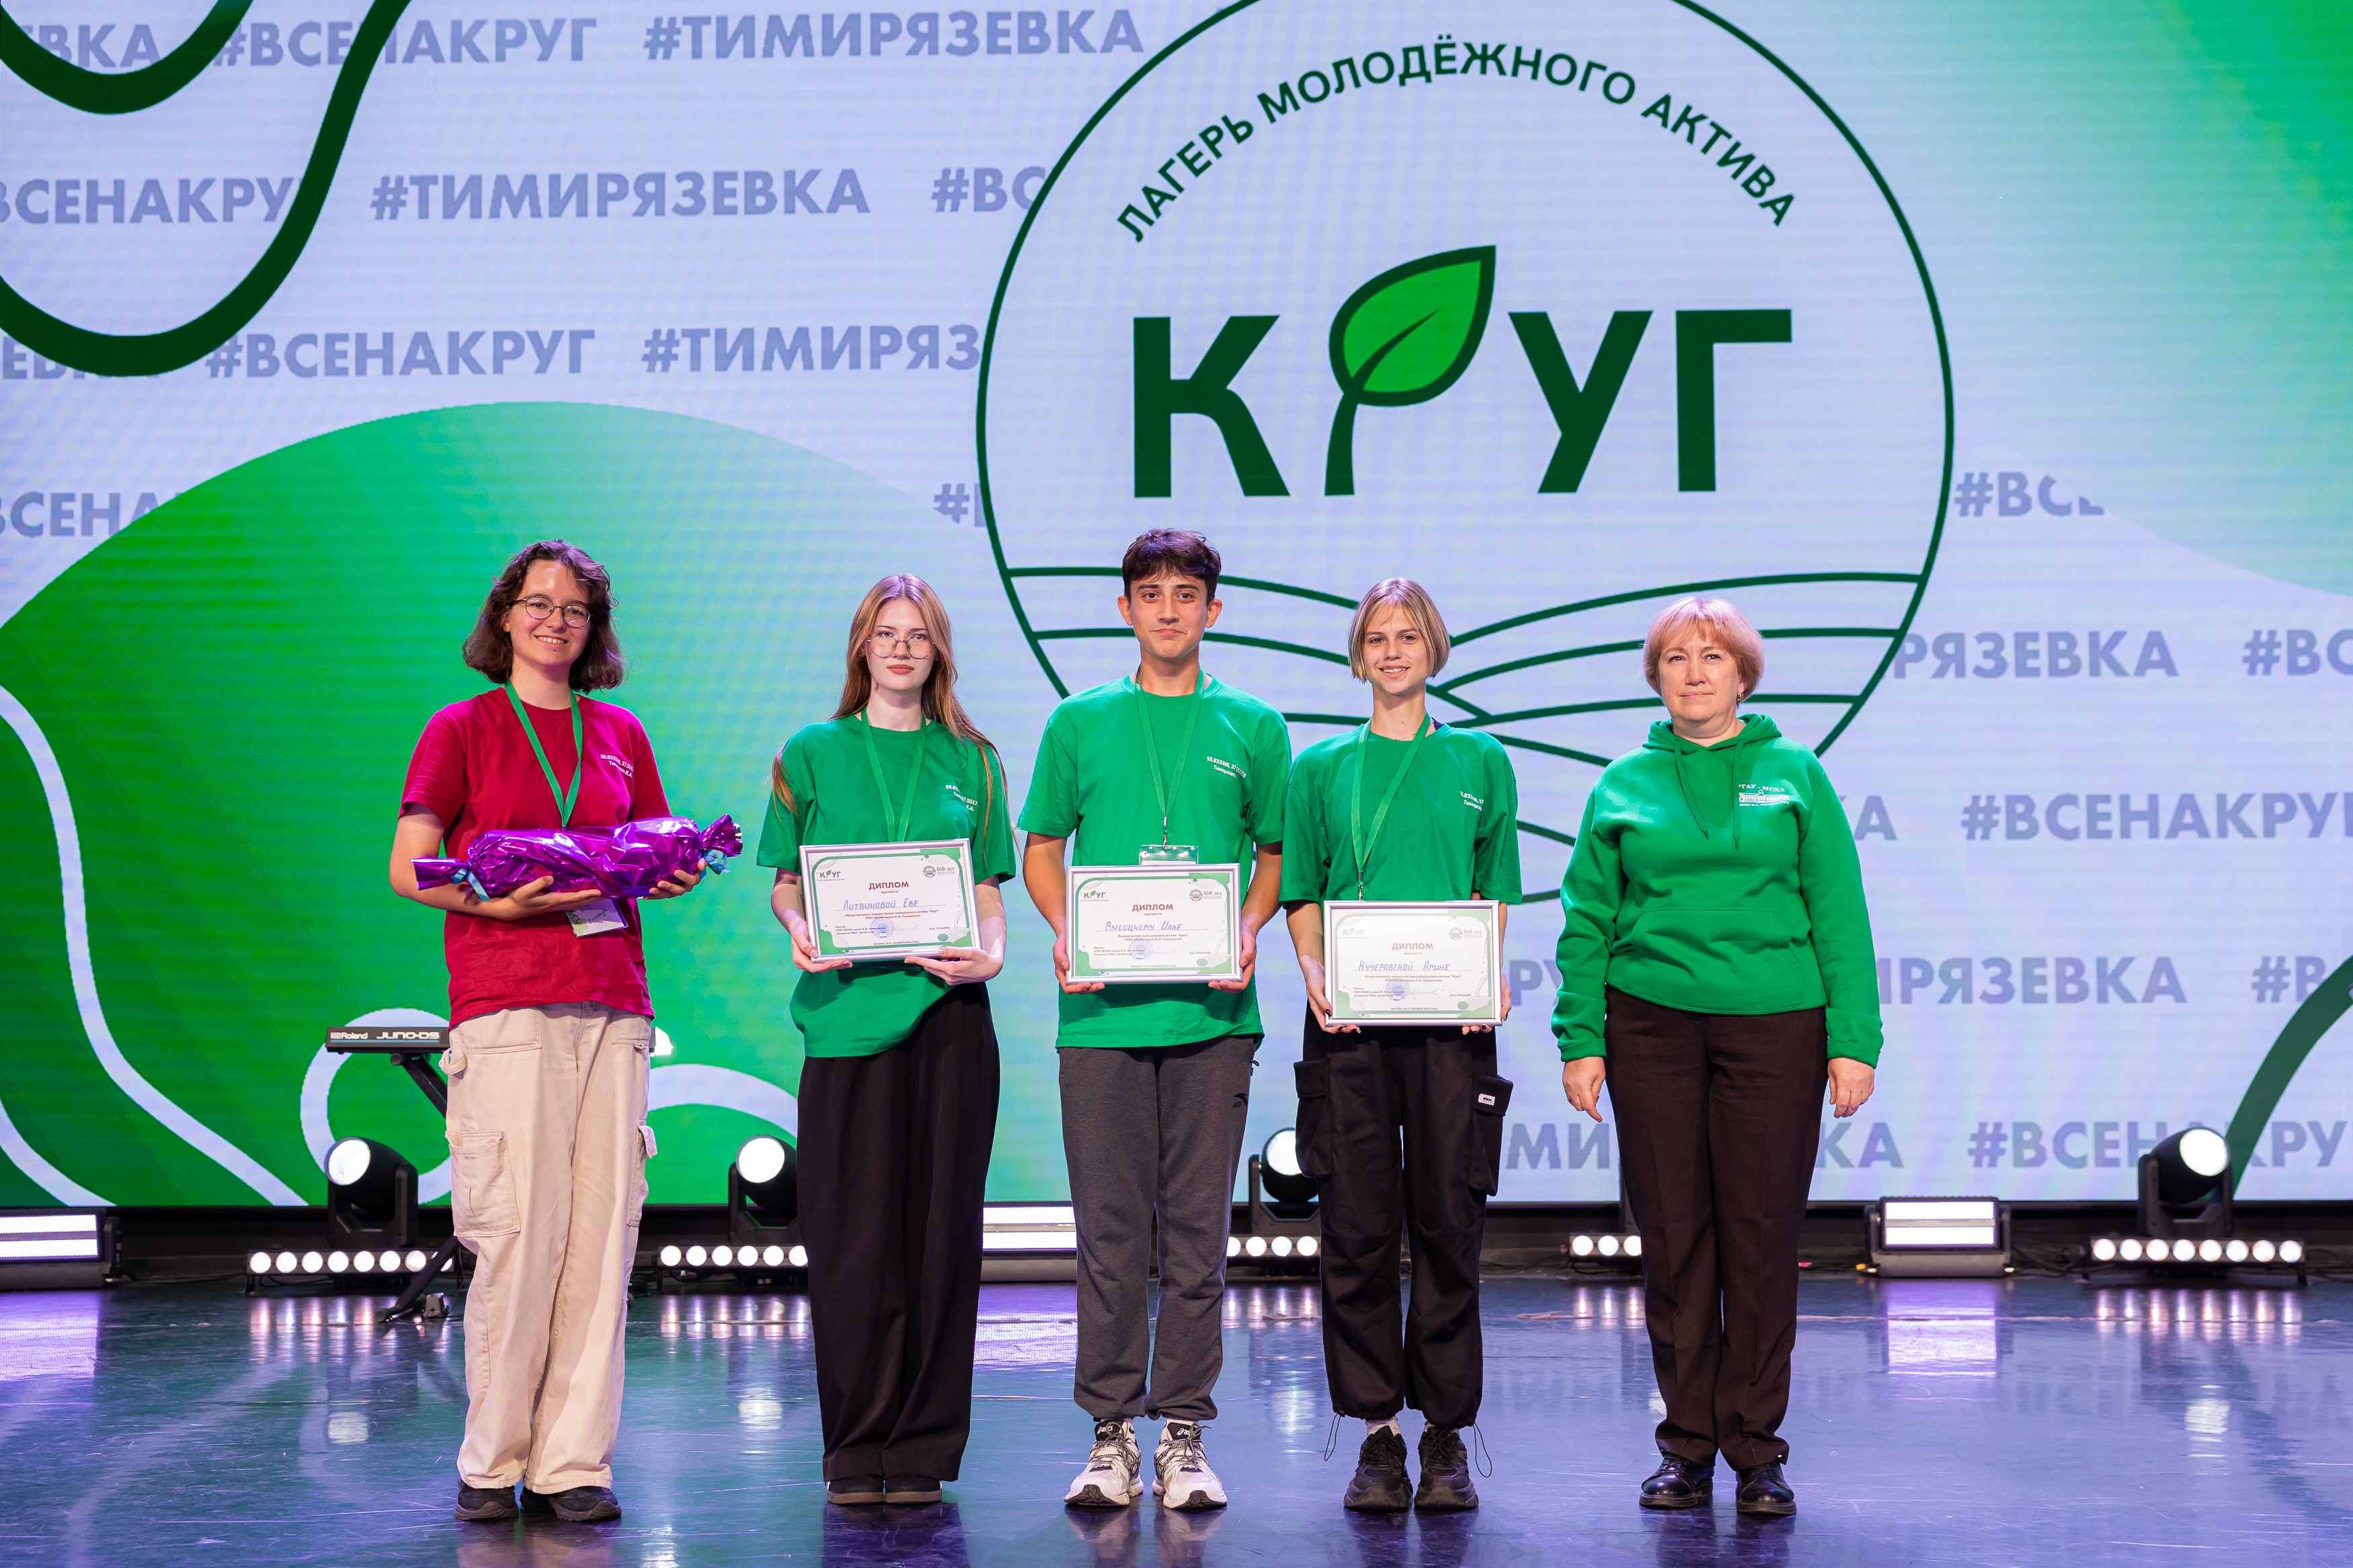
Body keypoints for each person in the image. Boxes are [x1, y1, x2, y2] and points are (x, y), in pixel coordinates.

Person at [390, 539, 707, 1524]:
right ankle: (492, 1462)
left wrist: (674, 869)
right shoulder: (463, 727)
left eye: (575, 609)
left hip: (613, 1003)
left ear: (592, 627)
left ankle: (574, 1463)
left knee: (602, 1240)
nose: (555, 621)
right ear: (505, 616)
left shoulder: (621, 732)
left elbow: (651, 847)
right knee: (519, 1236)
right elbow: (411, 866)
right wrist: (500, 903)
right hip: (508, 1001)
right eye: (538, 603)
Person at [1553, 597, 1882, 1518]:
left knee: (1761, 1240)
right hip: (1650, 1023)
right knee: (1674, 1242)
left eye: (1712, 657)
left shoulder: (1795, 773)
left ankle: (1758, 1450)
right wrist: (1581, 1038)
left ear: (1744, 675)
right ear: (1655, 678)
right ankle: (1687, 1446)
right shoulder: (1621, 783)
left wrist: (1854, 1041)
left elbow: (1841, 913)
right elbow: (1586, 920)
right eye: (1675, 659)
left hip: (1776, 1024)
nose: (1694, 673)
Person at [1019, 529, 1291, 1513]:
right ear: (1125, 608)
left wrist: (1247, 928)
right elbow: (1042, 847)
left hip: (1213, 1016)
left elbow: (1273, 855)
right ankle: (1110, 1436)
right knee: (1108, 1237)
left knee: (1197, 1240)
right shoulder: (1078, 721)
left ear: (1213, 610)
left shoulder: (1255, 725)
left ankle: (1182, 1433)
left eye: (1186, 593)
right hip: (1101, 1019)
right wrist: (1068, 932)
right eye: (1151, 593)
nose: (1168, 609)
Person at [760, 575, 1014, 1508]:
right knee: (852, 1241)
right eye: (886, 633)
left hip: (949, 1020)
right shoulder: (809, 753)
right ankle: (856, 1444)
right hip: (844, 1020)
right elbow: (788, 882)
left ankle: (922, 1447)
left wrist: (991, 955)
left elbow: (987, 892)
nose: (902, 648)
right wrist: (798, 925)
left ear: (939, 650)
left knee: (941, 1238)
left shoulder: (973, 759)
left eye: (918, 635)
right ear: (862, 646)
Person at [1279, 579, 1520, 1514]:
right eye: (1376, 637)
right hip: (1347, 1027)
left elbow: (1491, 888)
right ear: (1357, 655)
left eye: (1408, 635)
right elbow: (1303, 893)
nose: (1391, 650)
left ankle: (1446, 1434)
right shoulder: (1319, 768)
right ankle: (1378, 1433)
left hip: (1453, 1026)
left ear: (1434, 648)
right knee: (1357, 1228)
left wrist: (1486, 972)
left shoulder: (1480, 759)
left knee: (1451, 1224)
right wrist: (1314, 972)